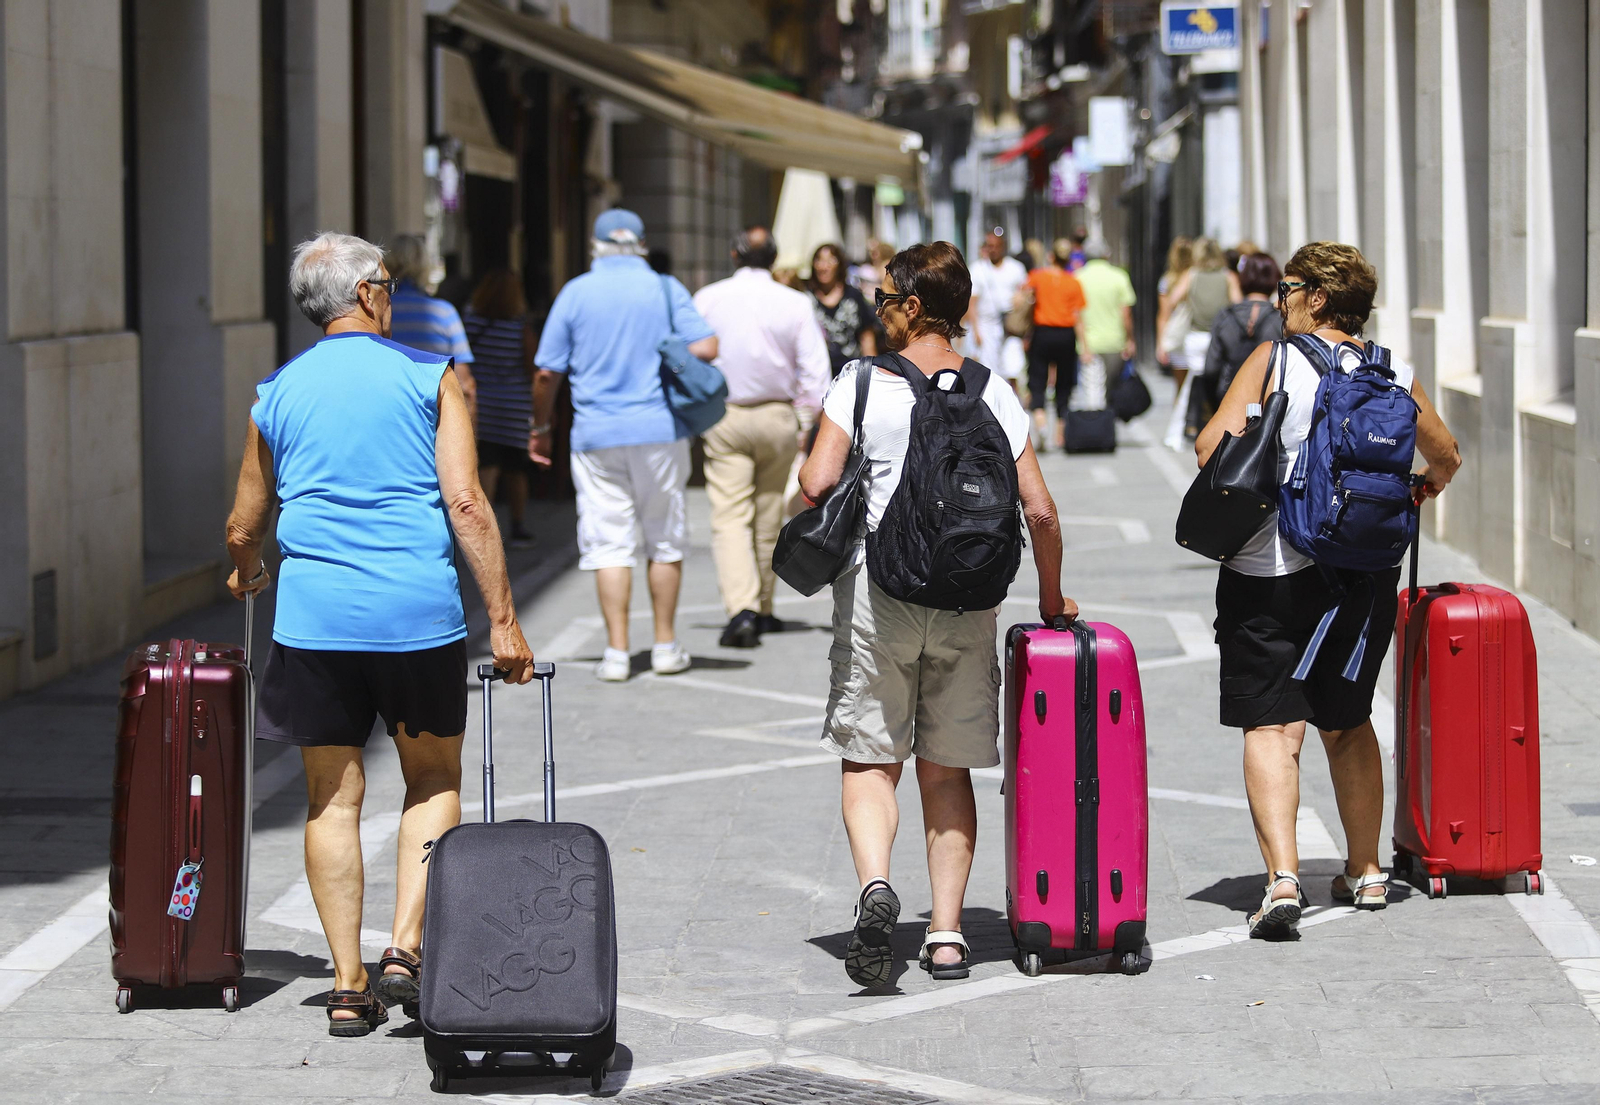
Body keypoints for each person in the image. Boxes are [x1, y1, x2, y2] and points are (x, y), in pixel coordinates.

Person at [223, 232, 535, 1036]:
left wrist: (246, 569)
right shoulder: (427, 376)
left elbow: (243, 522)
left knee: (331, 796)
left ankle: (347, 984)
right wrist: (502, 617)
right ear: (366, 295)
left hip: (315, 620)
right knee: (431, 781)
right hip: (416, 619)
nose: (393, 295)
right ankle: (403, 948)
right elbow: (467, 504)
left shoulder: (275, 392)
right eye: (389, 284)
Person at [798, 242, 1074, 986]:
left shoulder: (861, 382)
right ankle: (948, 933)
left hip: (878, 597)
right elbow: (1041, 512)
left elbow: (817, 481)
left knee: (871, 756)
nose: (881, 307)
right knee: (947, 770)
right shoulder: (994, 389)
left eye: (888, 296)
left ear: (913, 305)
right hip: (966, 602)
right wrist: (1051, 601)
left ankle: (876, 887)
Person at [1196, 241, 1461, 939]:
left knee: (1272, 727)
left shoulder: (1274, 360)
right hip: (1360, 575)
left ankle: (1284, 878)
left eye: (1288, 287)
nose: (1279, 299)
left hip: (1268, 568)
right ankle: (1367, 869)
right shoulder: (1391, 370)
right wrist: (1419, 489)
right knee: (1346, 722)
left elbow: (1207, 449)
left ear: (1316, 295)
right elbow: (1446, 454)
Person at [532, 209, 717, 682]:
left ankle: (616, 653)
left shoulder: (575, 293)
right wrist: (666, 348)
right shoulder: (663, 287)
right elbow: (708, 346)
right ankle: (664, 645)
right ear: (638, 243)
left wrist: (541, 426)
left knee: (608, 543)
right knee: (664, 537)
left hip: (596, 433)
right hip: (658, 429)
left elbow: (547, 372)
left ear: (595, 245)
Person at [693, 227, 831, 648]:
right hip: (777, 414)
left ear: (734, 255)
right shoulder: (793, 302)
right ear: (773, 259)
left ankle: (742, 608)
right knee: (770, 512)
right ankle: (765, 606)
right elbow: (815, 371)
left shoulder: (709, 298)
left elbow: (690, 354)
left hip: (724, 412)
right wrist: (806, 422)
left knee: (730, 515)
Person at [462, 269, 537, 546]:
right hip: (514, 404)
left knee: (488, 465)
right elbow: (531, 366)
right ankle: (518, 527)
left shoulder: (470, 320)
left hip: (485, 403)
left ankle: (484, 528)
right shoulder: (520, 325)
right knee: (516, 468)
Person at [1159, 236, 1239, 450]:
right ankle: (1222, 434)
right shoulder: (1227, 276)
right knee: (1223, 386)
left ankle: (1176, 434)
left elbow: (1172, 300)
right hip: (1219, 339)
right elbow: (1239, 304)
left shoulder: (1191, 275)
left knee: (1190, 387)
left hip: (1195, 337)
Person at [385, 234, 476, 410]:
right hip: (434, 421)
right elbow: (465, 385)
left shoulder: (378, 311)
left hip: (390, 416)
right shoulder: (444, 313)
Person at [1023, 238, 1087, 449]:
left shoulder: (1037, 277)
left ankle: (1041, 422)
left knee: (1037, 379)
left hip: (1043, 333)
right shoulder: (1073, 282)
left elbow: (1023, 297)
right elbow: (1077, 316)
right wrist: (1085, 347)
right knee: (1064, 384)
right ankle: (1060, 434)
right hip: (1066, 335)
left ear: (1051, 256)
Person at [1202, 252, 1284, 412]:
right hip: (1270, 401)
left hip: (1230, 397)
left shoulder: (1226, 316)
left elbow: (1211, 368)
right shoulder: (1282, 318)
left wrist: (1215, 406)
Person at [967, 230, 1030, 390]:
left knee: (1013, 366)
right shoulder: (978, 269)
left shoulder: (1016, 268)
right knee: (991, 369)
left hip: (1011, 325)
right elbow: (972, 303)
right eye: (989, 246)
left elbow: (1027, 294)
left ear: (1003, 247)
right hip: (987, 324)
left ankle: (1014, 402)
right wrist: (975, 330)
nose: (993, 249)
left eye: (996, 246)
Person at [808, 243, 879, 377]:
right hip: (817, 374)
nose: (824, 266)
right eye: (819, 260)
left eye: (830, 260)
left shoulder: (854, 295)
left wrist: (871, 372)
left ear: (839, 264)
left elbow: (866, 336)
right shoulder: (806, 299)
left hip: (852, 373)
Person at [1074, 237, 1138, 373]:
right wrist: (1130, 340)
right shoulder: (1119, 276)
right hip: (1115, 342)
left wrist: (1083, 347)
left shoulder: (1077, 278)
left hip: (1089, 344)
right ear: (1106, 254)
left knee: (1093, 390)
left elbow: (1077, 316)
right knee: (1115, 389)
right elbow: (1126, 313)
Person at [1155, 237, 1193, 387]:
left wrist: (1161, 344)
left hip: (1176, 335)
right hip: (1194, 332)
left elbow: (1163, 315)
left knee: (1181, 386)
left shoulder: (1166, 282)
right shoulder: (1196, 278)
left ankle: (1180, 410)